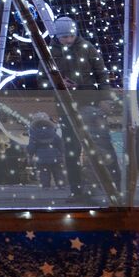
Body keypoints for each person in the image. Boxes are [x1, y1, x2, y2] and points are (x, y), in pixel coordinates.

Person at [44, 17, 110, 199]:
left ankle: (102, 186)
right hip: (66, 106)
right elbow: (41, 78)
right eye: (65, 37)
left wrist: (104, 98)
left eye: (71, 36)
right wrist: (58, 83)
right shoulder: (49, 53)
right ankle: (76, 190)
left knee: (96, 147)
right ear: (57, 36)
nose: (68, 40)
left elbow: (102, 74)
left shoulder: (87, 48)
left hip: (88, 103)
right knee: (72, 149)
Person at [27, 114, 63, 189]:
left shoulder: (34, 132)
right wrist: (62, 152)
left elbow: (32, 146)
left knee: (44, 173)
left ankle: (46, 186)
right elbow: (59, 142)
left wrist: (30, 155)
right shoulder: (52, 130)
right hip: (55, 155)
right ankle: (60, 185)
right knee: (57, 172)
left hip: (41, 157)